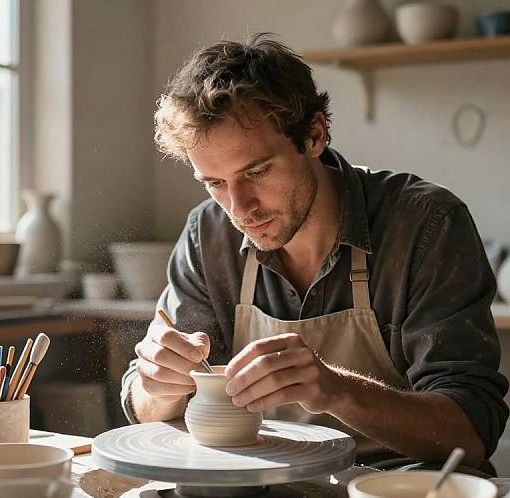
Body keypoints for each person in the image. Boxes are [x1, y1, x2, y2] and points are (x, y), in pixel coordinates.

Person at [121, 33, 508, 471]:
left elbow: (472, 434)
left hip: (397, 489)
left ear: (315, 136)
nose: (240, 208)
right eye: (215, 183)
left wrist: (337, 390)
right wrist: (158, 385)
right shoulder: (207, 234)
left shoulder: (425, 224)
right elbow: (147, 407)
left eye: (258, 171)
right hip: (265, 486)